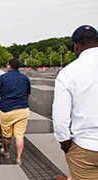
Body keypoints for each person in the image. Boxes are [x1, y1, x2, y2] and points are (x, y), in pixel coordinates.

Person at [53, 25, 98, 180]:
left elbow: (60, 119)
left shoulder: (68, 73)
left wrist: (66, 146)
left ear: (76, 46)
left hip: (85, 148)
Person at [0, 58, 31, 166]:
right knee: (20, 135)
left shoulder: (3, 78)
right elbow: (27, 95)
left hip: (7, 110)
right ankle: (18, 159)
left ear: (9, 66)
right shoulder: (25, 78)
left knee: (7, 135)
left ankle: (6, 152)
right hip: (22, 110)